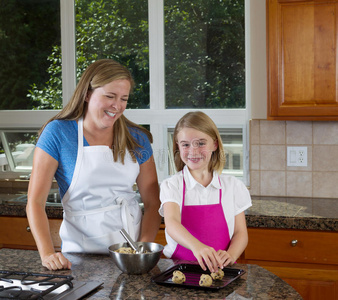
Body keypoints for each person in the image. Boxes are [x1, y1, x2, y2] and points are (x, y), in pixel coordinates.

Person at [26, 59, 161, 270]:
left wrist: (141, 248)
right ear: (87, 94)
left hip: (128, 257)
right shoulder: (58, 133)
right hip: (78, 258)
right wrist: (47, 253)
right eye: (109, 96)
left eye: (124, 98)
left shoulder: (138, 139)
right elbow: (35, 202)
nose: (117, 106)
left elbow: (153, 203)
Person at [159, 111, 252, 273]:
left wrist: (230, 255)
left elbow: (240, 233)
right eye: (185, 144)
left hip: (221, 271)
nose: (193, 151)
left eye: (201, 143)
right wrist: (198, 247)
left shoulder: (233, 186)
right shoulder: (172, 185)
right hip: (179, 270)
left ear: (215, 145)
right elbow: (172, 224)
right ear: (177, 147)